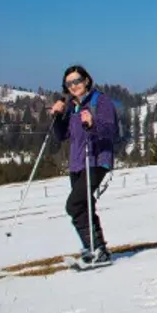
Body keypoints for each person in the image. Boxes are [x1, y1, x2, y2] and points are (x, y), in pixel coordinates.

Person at [48, 64, 115, 266]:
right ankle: (95, 248)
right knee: (84, 206)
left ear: (86, 80)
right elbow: (62, 136)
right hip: (77, 163)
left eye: (77, 81)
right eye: (69, 83)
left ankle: (96, 248)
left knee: (74, 205)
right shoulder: (72, 106)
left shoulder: (100, 101)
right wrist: (57, 116)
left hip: (97, 160)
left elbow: (111, 131)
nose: (74, 85)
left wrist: (93, 123)